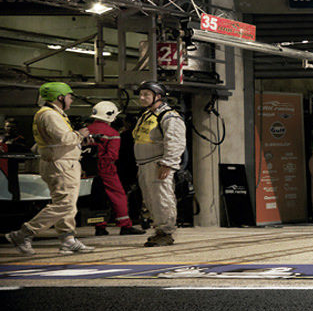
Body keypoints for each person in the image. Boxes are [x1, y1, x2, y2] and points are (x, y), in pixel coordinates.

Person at [6, 82, 91, 255]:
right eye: (69, 97)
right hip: (60, 164)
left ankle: (68, 239)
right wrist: (80, 134)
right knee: (64, 205)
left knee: (66, 204)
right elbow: (64, 139)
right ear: (60, 97)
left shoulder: (52, 114)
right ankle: (24, 233)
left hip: (63, 162)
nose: (71, 100)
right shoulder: (50, 115)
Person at [129, 79, 186, 247]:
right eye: (141, 94)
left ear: (158, 96)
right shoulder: (147, 115)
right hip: (144, 165)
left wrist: (168, 163)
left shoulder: (169, 116)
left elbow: (175, 142)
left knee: (162, 198)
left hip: (158, 165)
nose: (142, 98)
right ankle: (159, 230)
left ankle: (166, 232)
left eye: (146, 94)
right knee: (150, 199)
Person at [83, 100, 135, 235]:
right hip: (106, 168)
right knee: (118, 195)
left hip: (85, 169)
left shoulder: (84, 131)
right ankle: (125, 225)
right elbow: (112, 155)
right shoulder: (112, 133)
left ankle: (100, 226)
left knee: (96, 195)